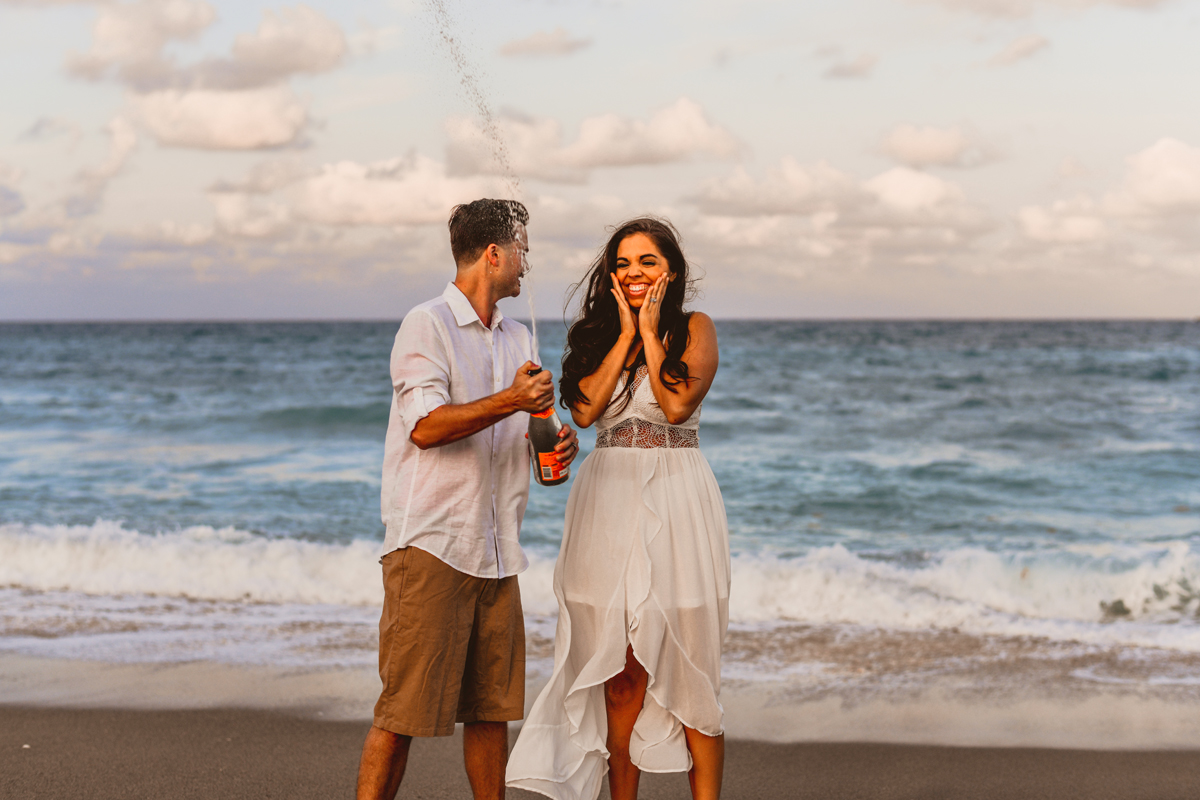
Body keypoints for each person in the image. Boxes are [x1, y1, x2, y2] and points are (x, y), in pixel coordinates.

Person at [357, 198, 580, 800]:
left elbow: (531, 433)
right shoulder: (424, 325)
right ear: (494, 255)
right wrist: (511, 400)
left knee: (490, 712)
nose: (527, 263)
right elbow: (425, 427)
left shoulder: (518, 335)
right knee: (402, 712)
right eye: (523, 251)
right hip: (432, 546)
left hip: (498, 551)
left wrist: (554, 439)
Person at [506, 218, 729, 800]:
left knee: (690, 666)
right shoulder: (594, 336)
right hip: (607, 500)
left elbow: (677, 407)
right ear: (610, 275)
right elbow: (583, 412)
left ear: (671, 271)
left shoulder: (695, 329)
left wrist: (653, 332)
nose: (635, 274)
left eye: (648, 262)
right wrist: (627, 334)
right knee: (620, 673)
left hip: (679, 497)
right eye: (624, 264)